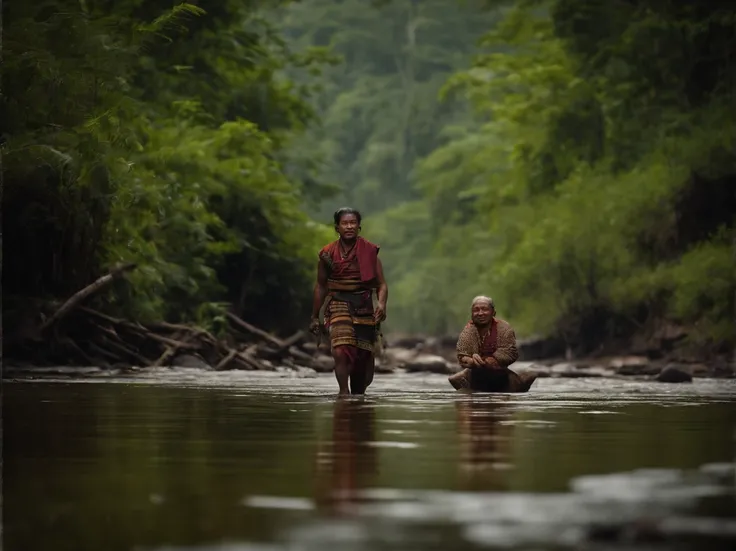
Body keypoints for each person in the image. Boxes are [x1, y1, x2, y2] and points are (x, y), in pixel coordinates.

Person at [310, 207, 388, 395]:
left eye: (353, 223)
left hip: (364, 305)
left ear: (359, 226)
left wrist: (382, 304)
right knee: (340, 349)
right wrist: (314, 316)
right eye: (345, 223)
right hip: (338, 303)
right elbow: (320, 285)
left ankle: (357, 398)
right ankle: (343, 393)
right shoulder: (327, 253)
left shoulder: (370, 252)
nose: (349, 226)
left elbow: (382, 285)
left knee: (363, 360)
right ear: (337, 227)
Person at [448, 295, 537, 392]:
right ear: (472, 314)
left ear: (493, 312)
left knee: (530, 375)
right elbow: (462, 355)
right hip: (475, 373)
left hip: (500, 373)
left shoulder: (504, 328)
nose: (480, 313)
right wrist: (470, 360)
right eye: (476, 310)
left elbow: (510, 353)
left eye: (485, 309)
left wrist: (486, 360)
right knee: (454, 379)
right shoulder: (468, 330)